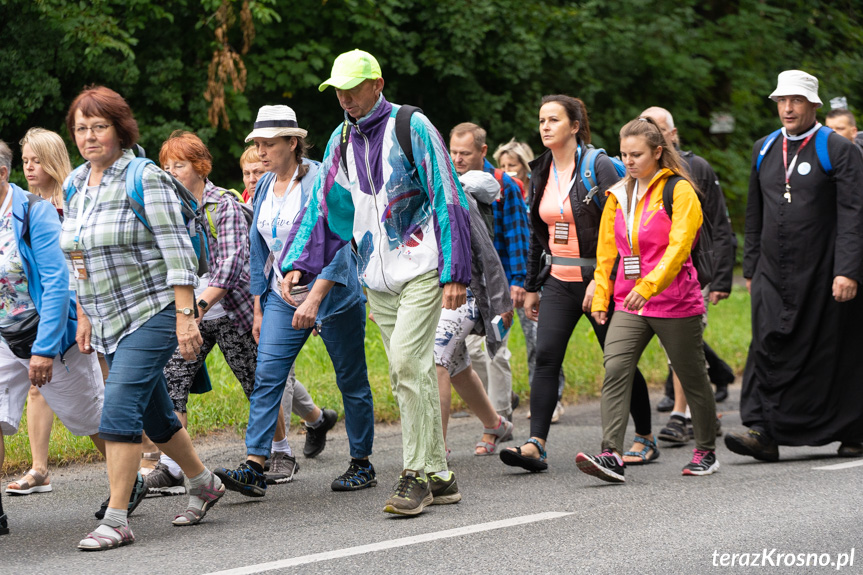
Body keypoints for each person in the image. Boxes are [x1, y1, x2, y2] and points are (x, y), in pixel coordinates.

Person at [280, 49, 471, 516]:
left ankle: (415, 477)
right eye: (338, 91)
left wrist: (455, 270)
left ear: (377, 84)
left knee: (407, 363)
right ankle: (441, 475)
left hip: (422, 267)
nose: (345, 98)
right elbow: (326, 207)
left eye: (353, 88)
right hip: (376, 278)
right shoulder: (339, 139)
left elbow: (449, 194)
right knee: (413, 371)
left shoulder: (413, 126)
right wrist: (300, 261)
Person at [62, 86, 225, 550]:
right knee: (156, 415)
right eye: (81, 128)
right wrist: (84, 312)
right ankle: (203, 483)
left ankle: (117, 519)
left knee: (118, 407)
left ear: (119, 128)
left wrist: (184, 316)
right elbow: (75, 252)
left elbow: (177, 250)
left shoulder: (144, 176)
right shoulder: (75, 183)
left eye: (99, 127)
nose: (90, 136)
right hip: (109, 315)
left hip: (153, 309)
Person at [147, 131, 337, 495]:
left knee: (257, 384)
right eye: (166, 167)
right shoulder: (173, 212)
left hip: (233, 310)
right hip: (195, 313)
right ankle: (171, 466)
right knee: (173, 379)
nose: (171, 174)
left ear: (201, 168)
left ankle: (281, 452)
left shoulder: (224, 206)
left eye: (179, 166)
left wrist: (198, 307)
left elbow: (233, 267)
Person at [215, 105, 376, 497]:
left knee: (350, 379)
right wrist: (258, 305)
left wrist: (316, 298)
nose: (261, 151)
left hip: (333, 294)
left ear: (293, 143)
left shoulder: (323, 178)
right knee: (267, 377)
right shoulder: (266, 184)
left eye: (269, 143)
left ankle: (361, 463)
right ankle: (255, 464)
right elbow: (259, 248)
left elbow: (339, 241)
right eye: (257, 143)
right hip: (283, 297)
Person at [499, 95, 651, 471]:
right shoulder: (541, 169)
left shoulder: (597, 166)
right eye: (541, 120)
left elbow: (624, 227)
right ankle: (535, 444)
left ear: (575, 125)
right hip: (558, 281)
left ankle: (645, 437)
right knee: (546, 356)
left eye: (553, 120)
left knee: (618, 361)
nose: (545, 126)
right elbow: (539, 235)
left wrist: (603, 281)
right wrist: (533, 284)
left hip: (600, 281)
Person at [726, 70, 863, 461]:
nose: (787, 107)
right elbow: (753, 214)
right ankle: (763, 430)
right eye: (782, 100)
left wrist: (848, 270)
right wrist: (749, 268)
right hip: (772, 270)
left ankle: (852, 429)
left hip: (824, 270)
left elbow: (854, 214)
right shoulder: (764, 148)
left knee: (831, 349)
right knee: (767, 343)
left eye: (797, 100)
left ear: (814, 105)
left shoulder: (837, 149)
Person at [577, 116, 719, 482]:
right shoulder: (618, 194)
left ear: (657, 152)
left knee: (691, 376)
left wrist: (649, 286)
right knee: (615, 368)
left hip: (673, 300)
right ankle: (611, 453)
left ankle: (705, 450)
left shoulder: (679, 190)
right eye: (624, 155)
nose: (629, 161)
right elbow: (607, 252)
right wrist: (601, 297)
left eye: (636, 154)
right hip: (629, 300)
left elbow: (679, 247)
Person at [0, 139, 106, 536]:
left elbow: (57, 282)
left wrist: (44, 350)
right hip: (4, 333)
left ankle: (127, 483)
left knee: (92, 420)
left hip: (48, 331)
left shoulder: (35, 212)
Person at [637, 107, 735, 446]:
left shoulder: (698, 169)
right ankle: (701, 412)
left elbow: (720, 226)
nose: (652, 133)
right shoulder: (634, 173)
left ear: (673, 134)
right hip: (646, 279)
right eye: (645, 126)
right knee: (682, 353)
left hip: (691, 276)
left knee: (683, 350)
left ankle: (680, 415)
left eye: (659, 128)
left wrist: (721, 279)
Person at [5, 128, 73, 497]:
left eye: (37, 160)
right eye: (26, 161)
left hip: (81, 305)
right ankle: (40, 468)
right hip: (39, 312)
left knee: (114, 388)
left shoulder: (73, 198)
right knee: (36, 387)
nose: (29, 168)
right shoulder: (19, 205)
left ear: (53, 160)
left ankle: (147, 455)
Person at [450, 123, 529, 422]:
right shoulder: (449, 182)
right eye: (454, 152)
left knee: (496, 350)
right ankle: (496, 400)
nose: (457, 159)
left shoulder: (504, 184)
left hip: (498, 283)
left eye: (465, 153)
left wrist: (517, 282)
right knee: (469, 350)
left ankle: (500, 417)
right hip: (466, 285)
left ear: (483, 151)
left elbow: (517, 235)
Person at [436, 170, 514, 457]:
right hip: (430, 291)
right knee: (457, 366)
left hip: (467, 290)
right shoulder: (404, 191)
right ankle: (495, 424)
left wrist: (500, 300)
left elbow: (486, 253)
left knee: (436, 358)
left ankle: (434, 450)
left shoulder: (454, 194)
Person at [493, 138, 567, 422]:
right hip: (506, 278)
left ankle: (553, 399)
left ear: (525, 167)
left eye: (513, 165)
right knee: (495, 344)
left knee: (539, 342)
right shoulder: (498, 195)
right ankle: (504, 397)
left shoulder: (539, 194)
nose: (508, 171)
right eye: (503, 166)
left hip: (539, 278)